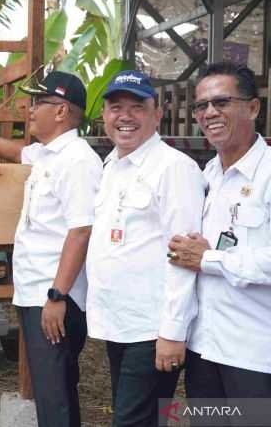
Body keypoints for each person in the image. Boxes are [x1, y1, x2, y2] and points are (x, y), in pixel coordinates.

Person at [0, 71, 101, 427]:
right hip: (37, 293)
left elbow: (81, 232)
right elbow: (19, 151)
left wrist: (57, 296)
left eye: (38, 103)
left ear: (61, 111)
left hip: (53, 298)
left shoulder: (77, 161)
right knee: (54, 390)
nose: (29, 110)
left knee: (55, 393)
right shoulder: (50, 154)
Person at [86, 70, 205, 426]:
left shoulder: (174, 169)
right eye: (115, 107)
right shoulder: (112, 166)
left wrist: (172, 331)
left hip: (151, 328)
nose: (125, 116)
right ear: (104, 117)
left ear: (157, 114)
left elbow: (184, 257)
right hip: (120, 322)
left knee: (132, 420)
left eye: (137, 107)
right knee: (140, 417)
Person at [168, 63, 271, 398]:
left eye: (222, 102)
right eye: (201, 106)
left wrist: (209, 259)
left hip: (254, 354)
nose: (209, 112)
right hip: (204, 349)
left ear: (253, 107)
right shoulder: (207, 174)